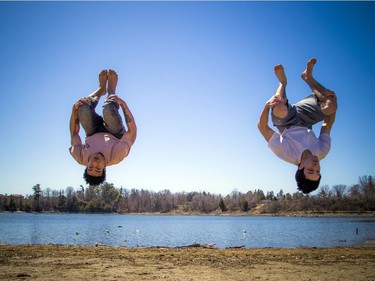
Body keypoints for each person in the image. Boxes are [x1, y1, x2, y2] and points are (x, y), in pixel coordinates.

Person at [257, 58, 337, 194]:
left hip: (286, 122)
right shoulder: (322, 150)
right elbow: (327, 124)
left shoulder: (285, 153)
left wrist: (266, 107)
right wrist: (330, 102)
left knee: (279, 108)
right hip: (306, 119)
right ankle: (308, 77)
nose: (316, 166)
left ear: (300, 167)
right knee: (331, 105)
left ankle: (282, 83)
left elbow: (262, 127)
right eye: (318, 171)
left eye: (311, 170)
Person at [69, 69, 137, 186]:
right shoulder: (117, 156)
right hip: (114, 133)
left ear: (86, 166)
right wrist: (123, 105)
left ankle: (101, 90)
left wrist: (74, 111)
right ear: (104, 169)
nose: (95, 164)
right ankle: (111, 92)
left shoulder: (80, 156)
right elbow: (132, 133)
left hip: (93, 132)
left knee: (82, 107)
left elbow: (74, 133)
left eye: (91, 168)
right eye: (98, 169)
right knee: (108, 109)